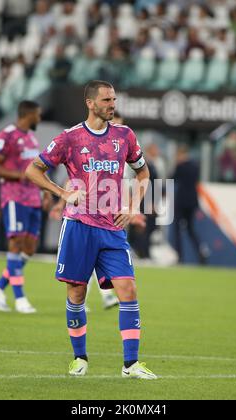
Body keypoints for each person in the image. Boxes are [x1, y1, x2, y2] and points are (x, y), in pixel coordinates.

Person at [25, 80, 157, 379]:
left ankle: (130, 364)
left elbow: (143, 172)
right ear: (90, 103)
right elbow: (33, 170)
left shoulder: (125, 135)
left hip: (112, 228)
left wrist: (133, 205)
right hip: (79, 225)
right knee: (77, 292)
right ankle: (79, 357)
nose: (113, 104)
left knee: (128, 288)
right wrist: (62, 193)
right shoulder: (69, 138)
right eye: (107, 100)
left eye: (114, 99)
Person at [0, 100, 52, 314]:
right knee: (15, 244)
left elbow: (36, 167)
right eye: (38, 115)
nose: (39, 118)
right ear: (28, 114)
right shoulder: (7, 135)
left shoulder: (31, 137)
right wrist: (18, 175)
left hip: (33, 197)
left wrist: (46, 190)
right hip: (14, 198)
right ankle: (20, 298)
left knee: (30, 248)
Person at [172, 145, 207, 265]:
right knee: (191, 230)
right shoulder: (195, 166)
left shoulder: (180, 166)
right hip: (192, 202)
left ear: (181, 155)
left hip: (181, 202)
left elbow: (172, 178)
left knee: (177, 229)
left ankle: (180, 257)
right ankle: (201, 253)